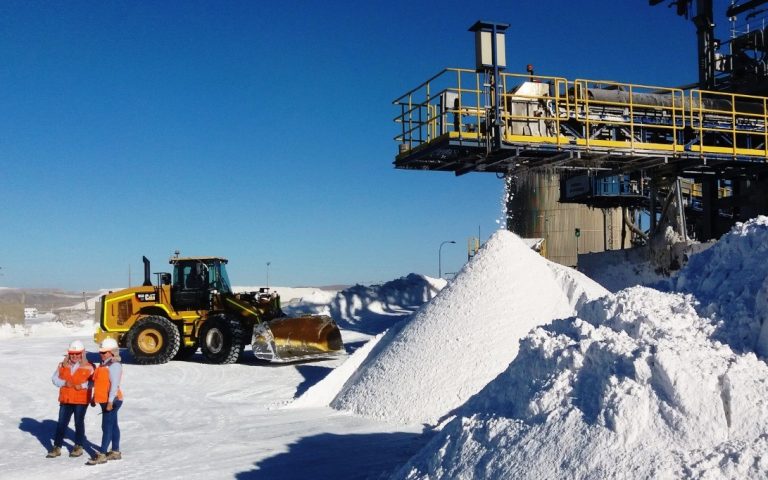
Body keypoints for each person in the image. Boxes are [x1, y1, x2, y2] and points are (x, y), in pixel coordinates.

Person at [47, 339, 94, 458]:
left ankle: (78, 446)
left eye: (77, 354)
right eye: (72, 353)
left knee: (79, 423)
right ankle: (57, 447)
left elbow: (93, 382)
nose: (74, 356)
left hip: (81, 400)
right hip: (66, 399)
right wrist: (64, 383)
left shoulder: (90, 366)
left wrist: (82, 386)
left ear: (82, 354)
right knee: (61, 423)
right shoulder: (62, 365)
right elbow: (54, 378)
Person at [86, 337, 124, 465]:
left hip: (113, 401)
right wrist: (93, 398)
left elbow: (114, 385)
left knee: (106, 426)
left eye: (104, 352)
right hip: (105, 400)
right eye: (100, 352)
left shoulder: (114, 365)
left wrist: (110, 402)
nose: (101, 354)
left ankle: (102, 454)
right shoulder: (104, 364)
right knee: (112, 425)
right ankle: (115, 451)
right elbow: (99, 383)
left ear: (112, 352)